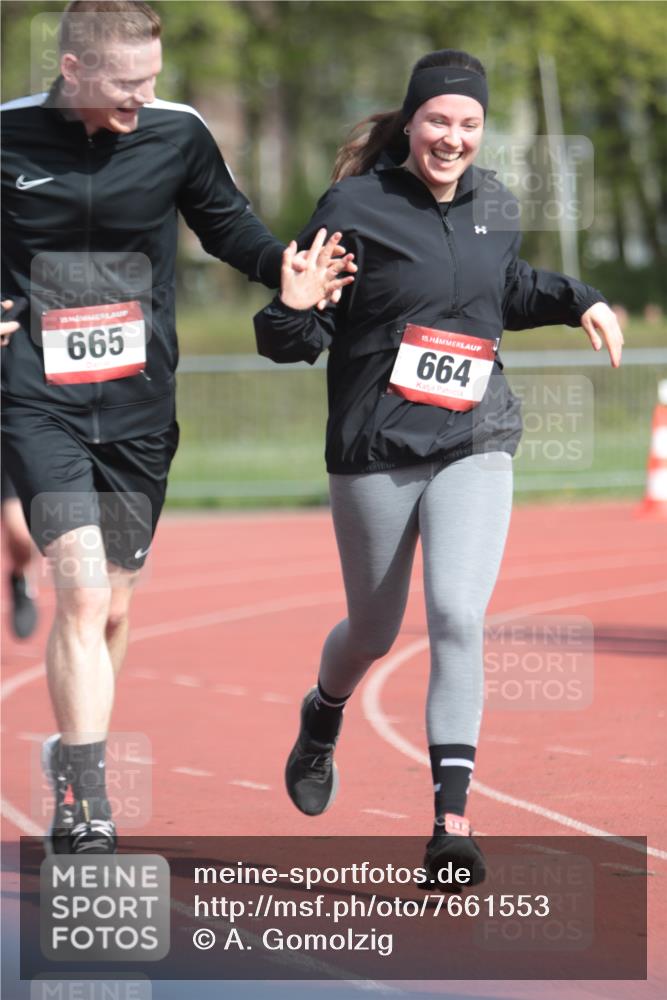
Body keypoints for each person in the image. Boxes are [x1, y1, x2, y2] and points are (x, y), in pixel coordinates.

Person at [254, 48, 623, 888]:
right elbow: (299, 334)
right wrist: (290, 308)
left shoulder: (494, 202)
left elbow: (504, 289)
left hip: (473, 438)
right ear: (411, 123)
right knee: (374, 632)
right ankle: (324, 713)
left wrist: (579, 297)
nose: (452, 139)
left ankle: (449, 826)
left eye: (467, 125)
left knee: (457, 615)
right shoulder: (353, 206)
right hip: (376, 448)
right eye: (437, 122)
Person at [1, 0, 353, 855]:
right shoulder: (5, 136)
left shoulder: (176, 132)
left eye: (152, 81)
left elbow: (225, 224)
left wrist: (287, 269)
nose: (142, 98)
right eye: (126, 84)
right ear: (73, 69)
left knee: (114, 603)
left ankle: (72, 754)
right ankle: (86, 799)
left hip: (137, 407)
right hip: (35, 395)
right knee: (81, 590)